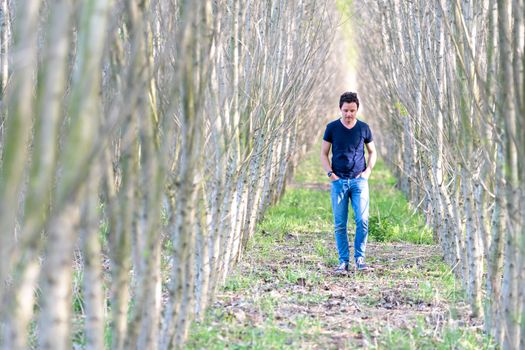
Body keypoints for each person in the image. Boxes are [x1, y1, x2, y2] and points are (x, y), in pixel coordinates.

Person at [321, 92, 377, 273]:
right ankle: (343, 262)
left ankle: (360, 259)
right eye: (345, 110)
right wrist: (331, 175)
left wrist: (367, 172)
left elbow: (372, 152)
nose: (349, 114)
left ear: (357, 109)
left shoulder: (364, 128)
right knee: (340, 224)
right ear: (340, 109)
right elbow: (323, 153)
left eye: (352, 110)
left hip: (359, 182)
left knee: (362, 220)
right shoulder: (331, 128)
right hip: (338, 182)